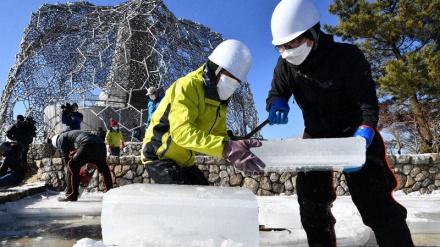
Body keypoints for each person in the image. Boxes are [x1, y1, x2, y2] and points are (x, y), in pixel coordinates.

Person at [266, 0, 414, 246]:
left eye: (291, 44)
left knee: (375, 203)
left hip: (354, 134)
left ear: (312, 34)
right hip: (316, 137)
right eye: (280, 47)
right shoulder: (285, 64)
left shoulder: (346, 57)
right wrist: (277, 103)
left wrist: (364, 133)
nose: (286, 51)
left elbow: (367, 103)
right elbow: (276, 92)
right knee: (312, 206)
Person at [141, 39, 266, 185]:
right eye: (230, 77)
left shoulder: (220, 101)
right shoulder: (188, 86)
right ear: (216, 69)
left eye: (237, 80)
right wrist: (227, 148)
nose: (233, 84)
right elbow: (182, 133)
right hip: (159, 156)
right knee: (190, 203)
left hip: (184, 161)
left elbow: (219, 135)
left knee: (206, 197)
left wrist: (235, 151)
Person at [50, 130, 113, 201]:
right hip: (101, 144)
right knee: (104, 168)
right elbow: (79, 151)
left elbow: (65, 156)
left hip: (87, 144)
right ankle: (110, 192)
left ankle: (71, 194)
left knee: (71, 166)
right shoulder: (71, 134)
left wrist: (68, 167)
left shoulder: (60, 138)